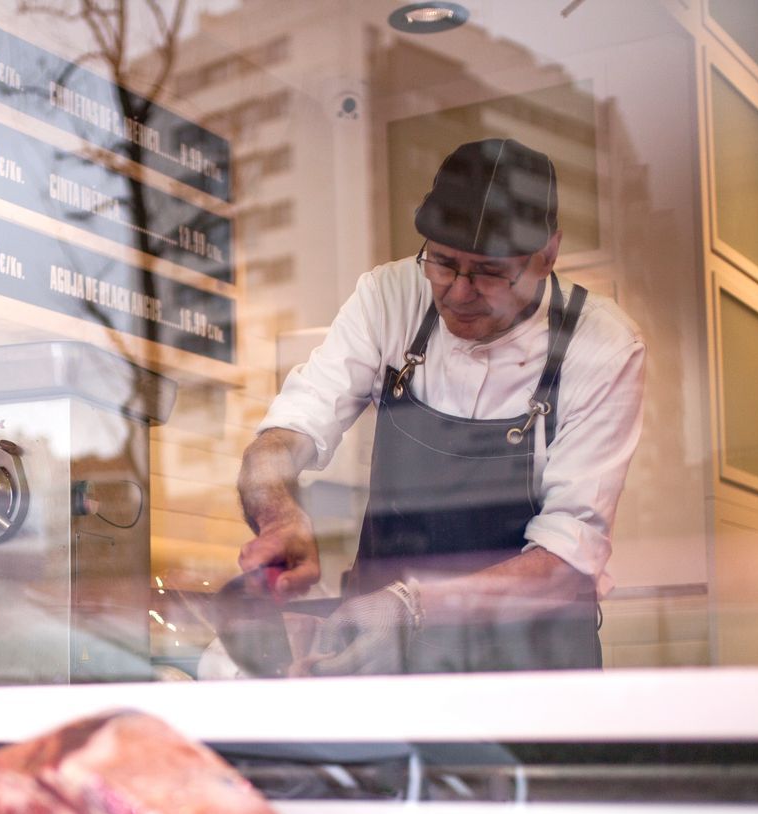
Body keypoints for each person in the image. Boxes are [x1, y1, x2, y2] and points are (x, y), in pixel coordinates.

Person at [235, 138, 645, 675]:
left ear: (547, 255)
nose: (458, 292)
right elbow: (285, 435)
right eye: (443, 263)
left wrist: (413, 608)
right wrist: (279, 515)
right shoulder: (390, 296)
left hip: (531, 665)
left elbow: (569, 559)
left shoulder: (602, 345)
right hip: (379, 651)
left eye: (489, 272)